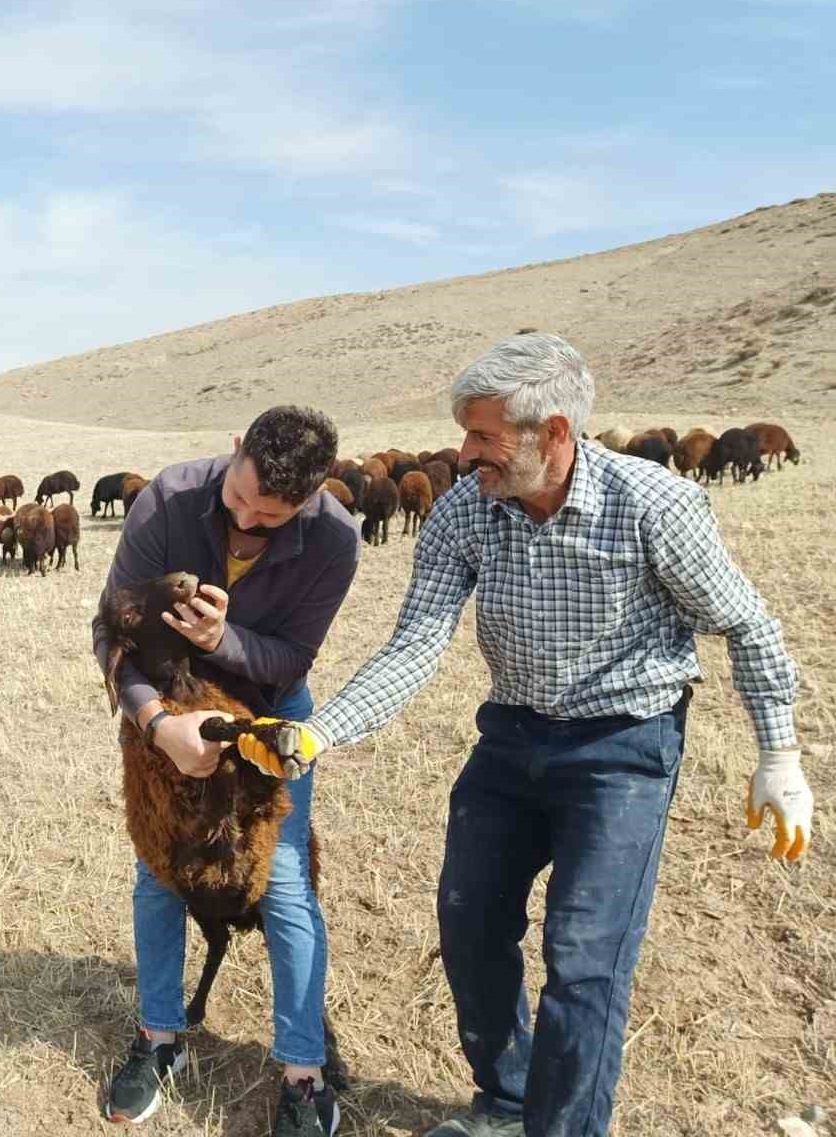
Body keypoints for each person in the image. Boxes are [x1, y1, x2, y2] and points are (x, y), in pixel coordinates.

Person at [291, 333, 811, 1136]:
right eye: (465, 434)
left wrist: (779, 754)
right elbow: (417, 641)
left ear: (555, 432)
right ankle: (505, 1103)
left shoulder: (654, 504)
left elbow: (745, 623)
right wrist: (321, 732)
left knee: (585, 959)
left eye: (484, 436)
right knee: (469, 925)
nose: (466, 454)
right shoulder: (466, 509)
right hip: (511, 737)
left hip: (624, 749)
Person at [91, 405, 359, 1136]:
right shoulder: (168, 499)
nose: (247, 519)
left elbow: (292, 659)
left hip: (267, 715)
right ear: (236, 447)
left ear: (313, 494)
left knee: (285, 880)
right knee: (159, 870)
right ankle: (159, 1037)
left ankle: (304, 1074)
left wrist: (222, 640)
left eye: (271, 515)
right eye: (240, 496)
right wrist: (158, 726)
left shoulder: (335, 539)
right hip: (166, 705)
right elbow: (110, 628)